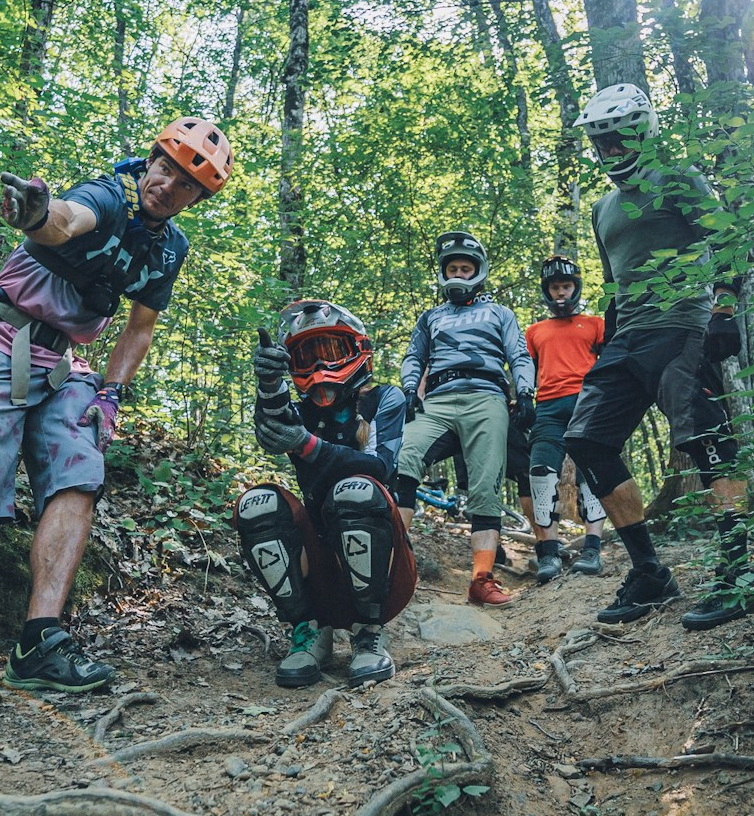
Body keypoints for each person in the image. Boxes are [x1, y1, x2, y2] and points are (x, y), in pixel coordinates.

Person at [0, 117, 233, 710]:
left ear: (197, 197)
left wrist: (111, 394)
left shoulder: (170, 248)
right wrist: (38, 215)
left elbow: (140, 328)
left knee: (80, 472)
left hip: (65, 362)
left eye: (185, 182)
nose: (167, 184)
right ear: (152, 159)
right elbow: (68, 219)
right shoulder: (109, 194)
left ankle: (41, 640)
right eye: (165, 167)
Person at [561, 84, 754, 630]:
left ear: (643, 132)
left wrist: (724, 307)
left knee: (706, 439)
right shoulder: (602, 208)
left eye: (619, 136)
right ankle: (649, 573)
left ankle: (739, 572)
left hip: (684, 327)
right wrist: (612, 331)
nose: (610, 148)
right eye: (600, 141)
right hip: (630, 337)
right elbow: (618, 280)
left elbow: (730, 241)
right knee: (587, 440)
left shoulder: (679, 179)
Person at [236, 300, 416, 687]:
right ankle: (307, 629)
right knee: (257, 504)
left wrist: (307, 445)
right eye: (306, 356)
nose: (319, 366)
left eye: (330, 351)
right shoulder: (300, 410)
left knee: (356, 491)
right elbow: (274, 422)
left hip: (385, 565)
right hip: (319, 560)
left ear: (357, 350)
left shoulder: (385, 398)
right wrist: (269, 385)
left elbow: (379, 467)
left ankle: (368, 633)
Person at [394, 231, 536, 608]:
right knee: (403, 457)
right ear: (443, 272)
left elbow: (519, 354)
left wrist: (525, 392)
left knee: (484, 485)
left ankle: (481, 579)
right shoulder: (431, 317)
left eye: (465, 267)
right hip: (438, 399)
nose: (458, 273)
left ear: (478, 271)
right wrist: (409, 390)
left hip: (487, 397)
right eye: (452, 267)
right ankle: (391, 563)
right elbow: (413, 357)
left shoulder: (499, 312)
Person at [524, 255, 610, 582]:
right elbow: (526, 371)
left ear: (576, 288)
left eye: (567, 286)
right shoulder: (534, 331)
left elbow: (612, 361)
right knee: (541, 473)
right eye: (555, 287)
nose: (561, 292)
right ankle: (547, 555)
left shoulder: (594, 324)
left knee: (592, 471)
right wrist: (519, 401)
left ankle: (592, 549)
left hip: (587, 402)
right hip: (546, 407)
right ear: (548, 291)